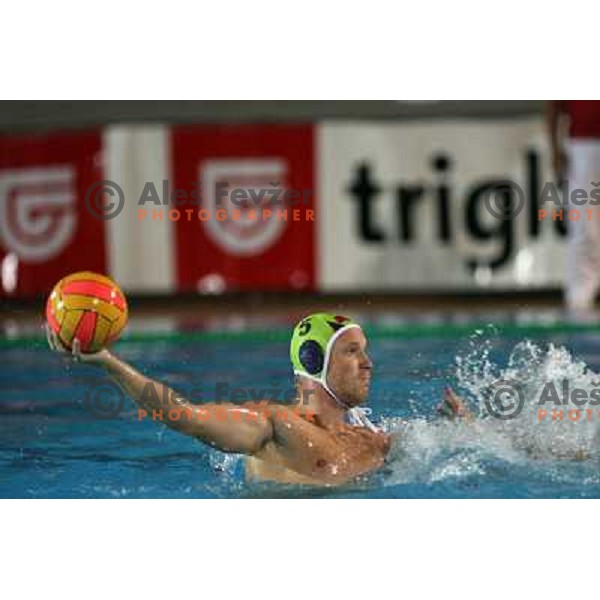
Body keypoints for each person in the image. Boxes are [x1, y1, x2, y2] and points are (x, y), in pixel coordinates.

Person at [46, 312, 465, 486]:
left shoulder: (376, 440)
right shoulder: (275, 426)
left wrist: (458, 428)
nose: (368, 363)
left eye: (365, 351)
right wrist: (109, 364)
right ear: (313, 361)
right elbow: (184, 416)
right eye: (352, 352)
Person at [547, 100, 600, 314]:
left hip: (583, 145)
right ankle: (580, 299)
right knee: (584, 224)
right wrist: (554, 148)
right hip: (583, 144)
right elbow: (553, 106)